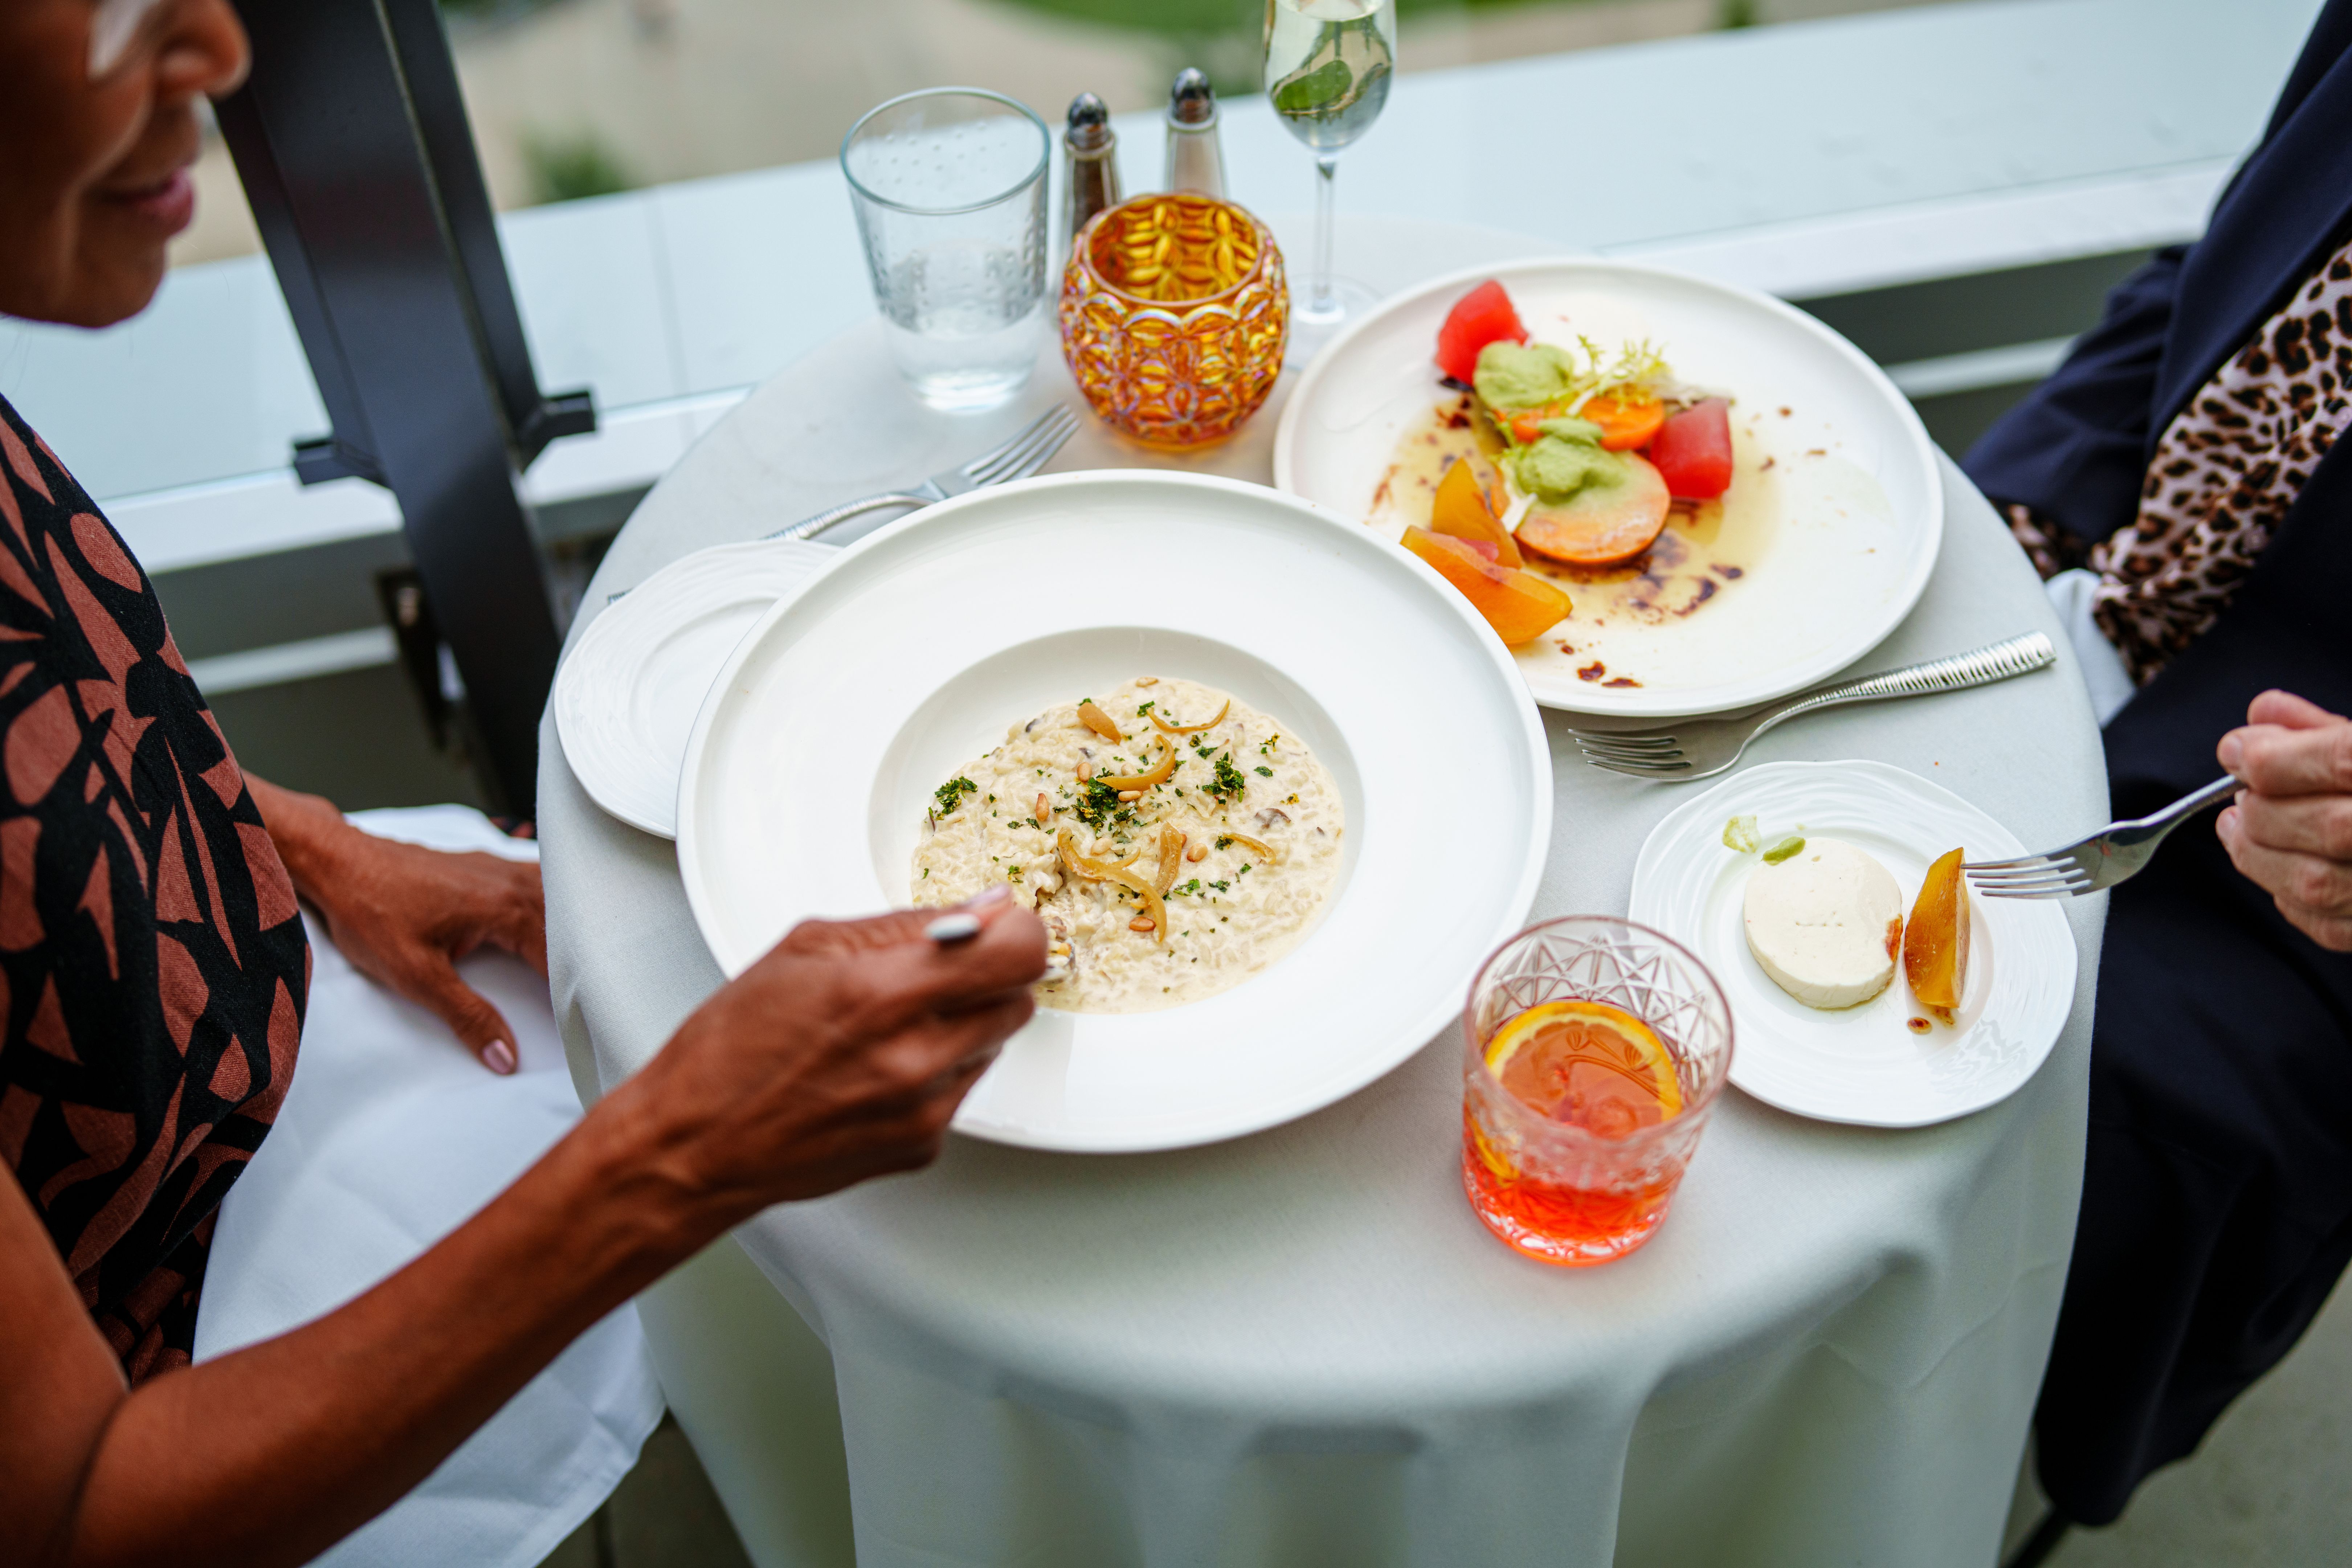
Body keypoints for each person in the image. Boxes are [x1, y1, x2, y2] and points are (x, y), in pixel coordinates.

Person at [0, 3, 1046, 1564]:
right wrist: (678, 1153)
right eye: (124, 14)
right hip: (209, 1360)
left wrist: (295, 842)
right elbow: (83, 1511)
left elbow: (47, 712)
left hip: (261, 985)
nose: (219, 52)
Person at [1962, 0, 2352, 1529]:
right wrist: (1999, 529)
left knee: (2046, 1103)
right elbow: (2218, 281)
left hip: (2292, 884)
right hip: (2114, 597)